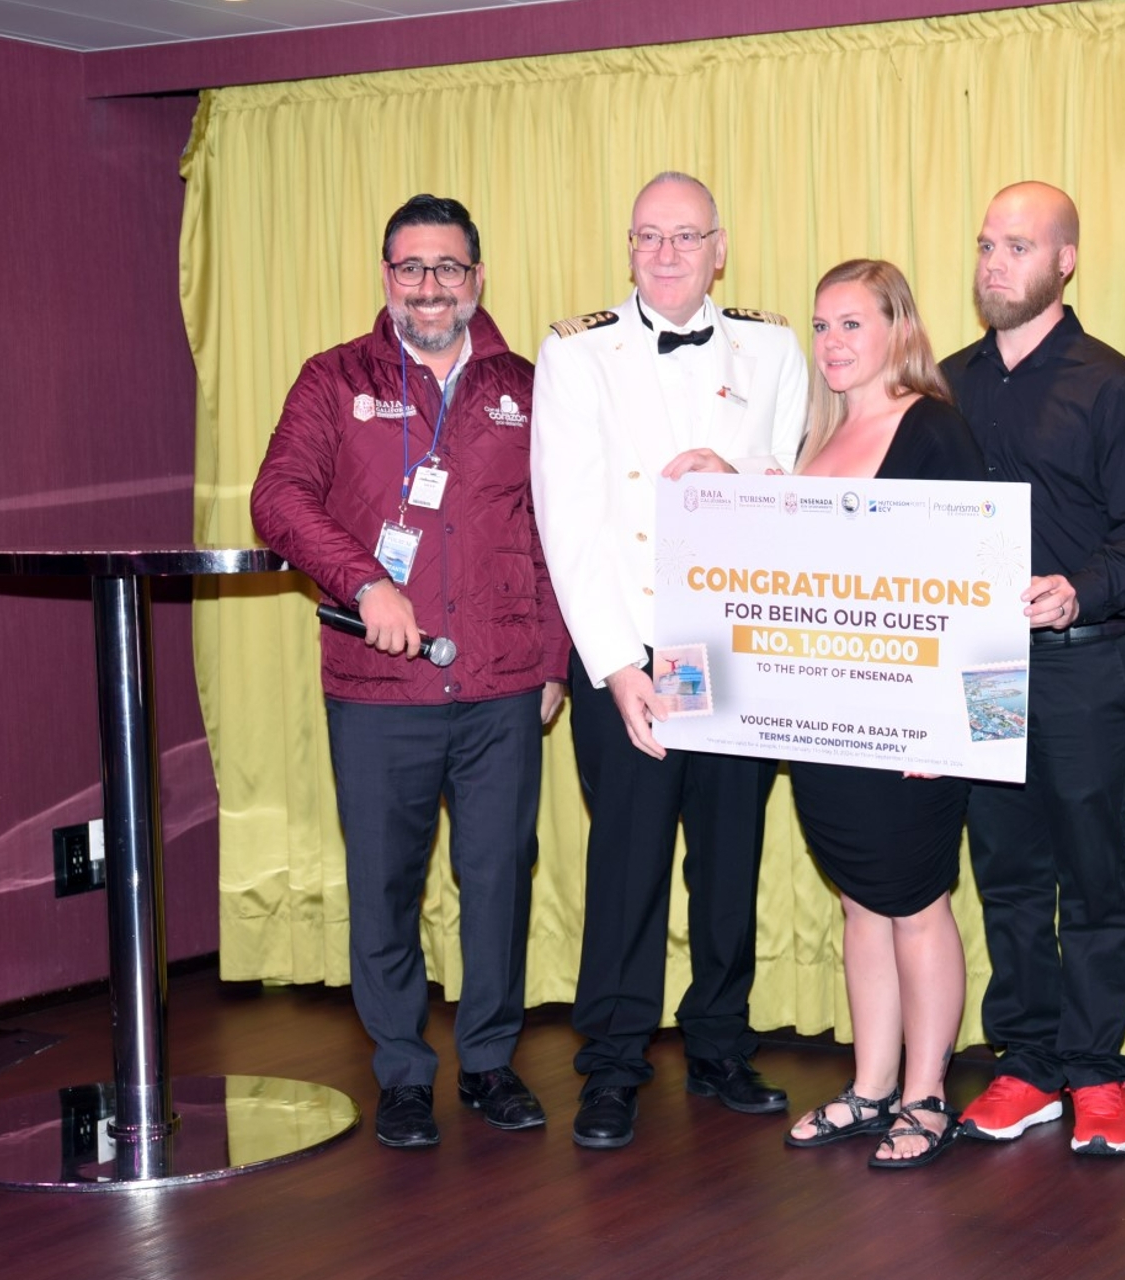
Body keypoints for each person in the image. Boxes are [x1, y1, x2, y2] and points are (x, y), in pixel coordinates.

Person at [251, 194, 569, 1149]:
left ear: (479, 277)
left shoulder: (529, 385)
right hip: (376, 688)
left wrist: (551, 656)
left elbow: (557, 529)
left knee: (499, 879)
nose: (429, 285)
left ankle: (489, 1062)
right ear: (385, 276)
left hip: (502, 684)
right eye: (409, 267)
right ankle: (399, 1072)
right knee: (385, 884)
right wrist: (361, 580)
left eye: (448, 267)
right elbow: (278, 497)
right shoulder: (332, 380)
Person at [531, 172, 808, 1150]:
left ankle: (722, 1042)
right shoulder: (574, 352)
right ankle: (611, 1061)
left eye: (685, 236)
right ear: (630, 245)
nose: (665, 253)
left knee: (729, 855)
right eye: (647, 235)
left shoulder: (773, 346)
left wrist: (741, 477)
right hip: (633, 646)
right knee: (628, 861)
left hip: (729, 646)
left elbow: (792, 485)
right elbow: (568, 522)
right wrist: (615, 666)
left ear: (719, 247)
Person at [942, 181, 1125, 1157]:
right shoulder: (943, 382)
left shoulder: (1114, 385)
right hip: (982, 671)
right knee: (1006, 873)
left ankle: (1093, 1068)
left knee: (1093, 873)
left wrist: (1081, 586)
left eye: (1020, 246)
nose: (997, 263)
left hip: (1084, 666)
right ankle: (1027, 1062)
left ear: (1066, 260)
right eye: (989, 244)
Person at [779, 259, 986, 1170]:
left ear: (898, 327)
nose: (832, 344)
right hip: (826, 726)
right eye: (821, 326)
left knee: (918, 904)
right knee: (862, 902)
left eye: (852, 325)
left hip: (914, 729)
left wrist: (952, 728)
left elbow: (972, 584)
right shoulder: (814, 441)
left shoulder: (935, 431)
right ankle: (870, 1087)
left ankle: (926, 1094)